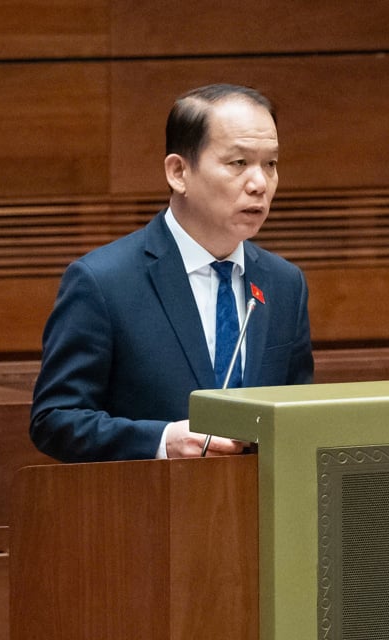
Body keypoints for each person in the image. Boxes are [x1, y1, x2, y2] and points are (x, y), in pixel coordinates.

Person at [30, 84, 314, 462]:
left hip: (260, 513)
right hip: (151, 510)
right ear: (179, 172)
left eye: (271, 164)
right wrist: (163, 440)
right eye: (238, 163)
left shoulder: (284, 284)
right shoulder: (103, 281)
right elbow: (55, 420)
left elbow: (300, 419)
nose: (259, 183)